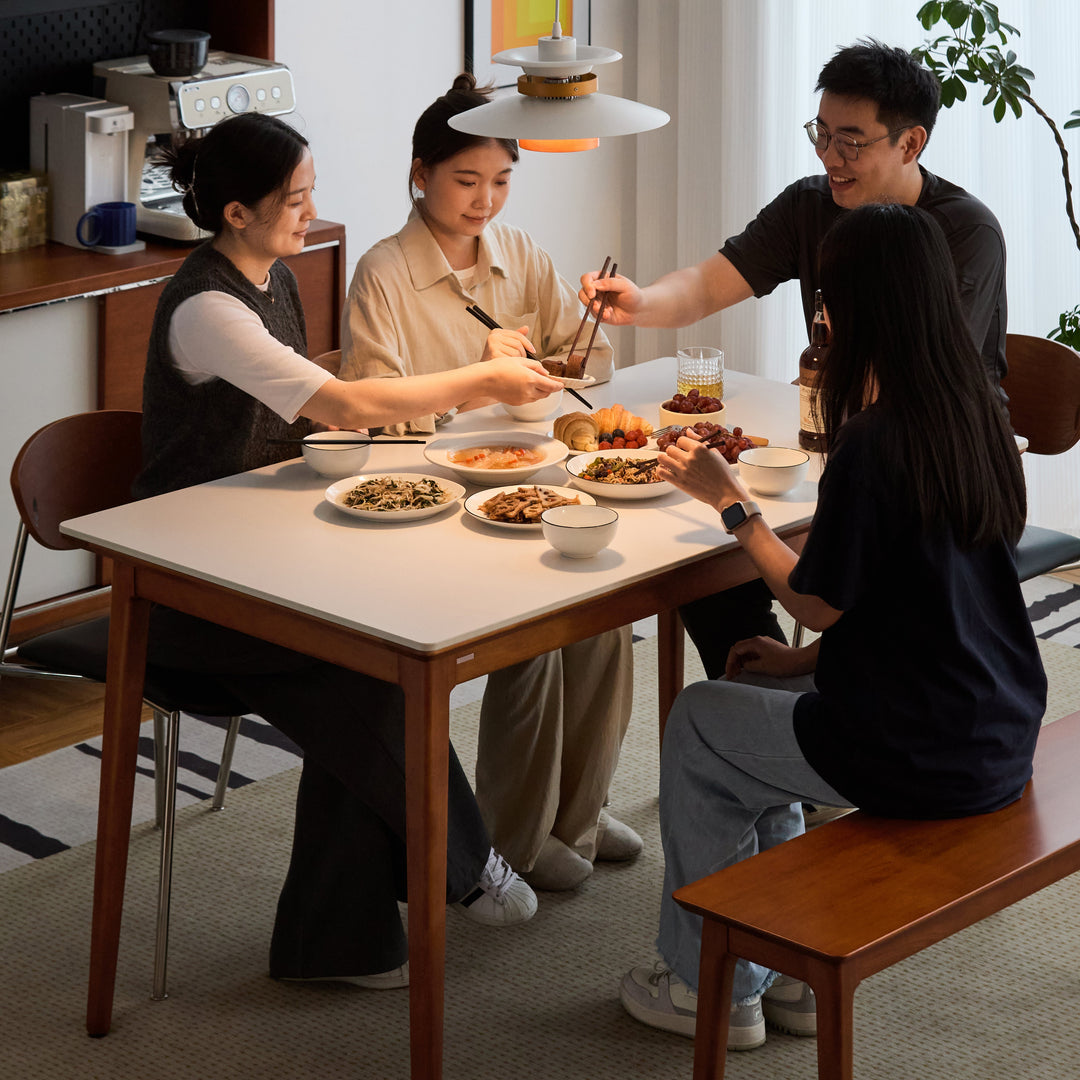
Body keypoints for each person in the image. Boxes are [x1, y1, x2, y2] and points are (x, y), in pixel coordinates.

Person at [134, 111, 566, 990]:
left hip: (259, 551)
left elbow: (305, 424)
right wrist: (482, 378)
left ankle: (341, 939)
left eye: (310, 193)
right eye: (295, 199)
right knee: (369, 667)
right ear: (235, 214)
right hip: (185, 590)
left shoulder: (273, 274)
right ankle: (462, 863)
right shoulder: (209, 306)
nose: (310, 211)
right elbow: (332, 403)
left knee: (382, 652)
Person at [618, 202, 1046, 1052]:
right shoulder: (978, 417)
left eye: (828, 301)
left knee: (700, 721)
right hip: (994, 720)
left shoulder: (876, 440)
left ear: (859, 310)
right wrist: (803, 661)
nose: (821, 315)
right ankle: (786, 972)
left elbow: (819, 596)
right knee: (749, 690)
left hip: (921, 747)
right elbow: (923, 596)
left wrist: (729, 502)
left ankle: (713, 986)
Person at [580, 39, 1009, 681]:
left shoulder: (962, 231)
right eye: (822, 133)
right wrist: (639, 302)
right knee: (711, 558)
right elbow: (709, 283)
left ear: (910, 143)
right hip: (838, 437)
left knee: (755, 542)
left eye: (852, 142)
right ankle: (783, 680)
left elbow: (913, 380)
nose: (830, 157)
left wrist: (746, 508)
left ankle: (794, 698)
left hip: (932, 460)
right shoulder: (811, 203)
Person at [339, 74, 639, 892]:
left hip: (528, 482)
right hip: (431, 501)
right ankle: (511, 837)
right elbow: (373, 425)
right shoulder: (383, 275)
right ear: (420, 173)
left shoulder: (523, 256)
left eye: (501, 181)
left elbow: (581, 374)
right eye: (466, 181)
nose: (485, 201)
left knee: (609, 623)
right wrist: (478, 377)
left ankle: (572, 814)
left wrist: (583, 336)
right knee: (538, 641)